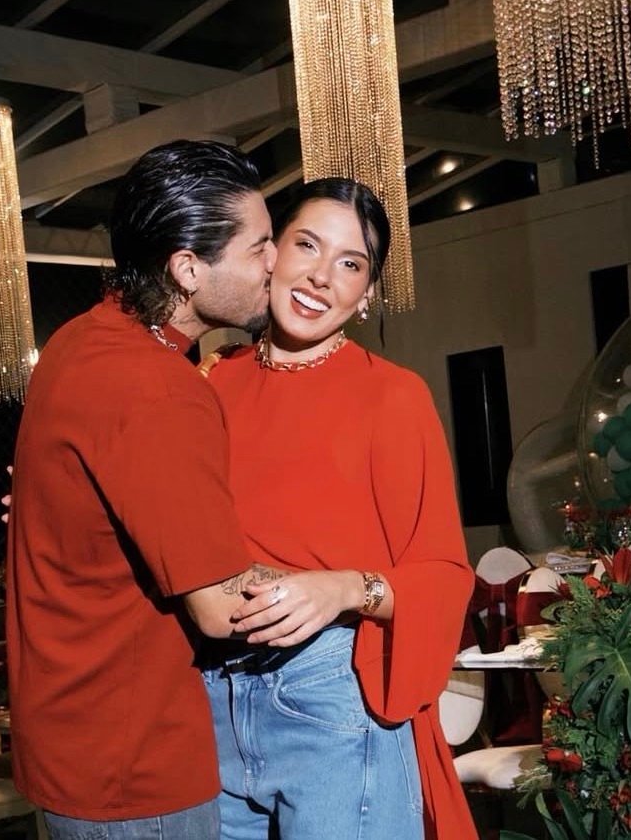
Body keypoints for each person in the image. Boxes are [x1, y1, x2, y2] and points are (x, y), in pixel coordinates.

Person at [5, 140, 298, 840]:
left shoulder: (80, 340)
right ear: (188, 268)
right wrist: (353, 587)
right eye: (259, 247)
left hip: (72, 738)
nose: (276, 263)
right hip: (132, 760)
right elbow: (221, 609)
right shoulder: (157, 386)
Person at [202, 177, 478, 840]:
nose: (322, 277)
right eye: (308, 246)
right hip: (207, 696)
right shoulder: (209, 383)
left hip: (331, 694)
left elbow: (444, 576)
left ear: (367, 293)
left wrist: (343, 589)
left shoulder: (393, 398)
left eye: (350, 264)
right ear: (270, 252)